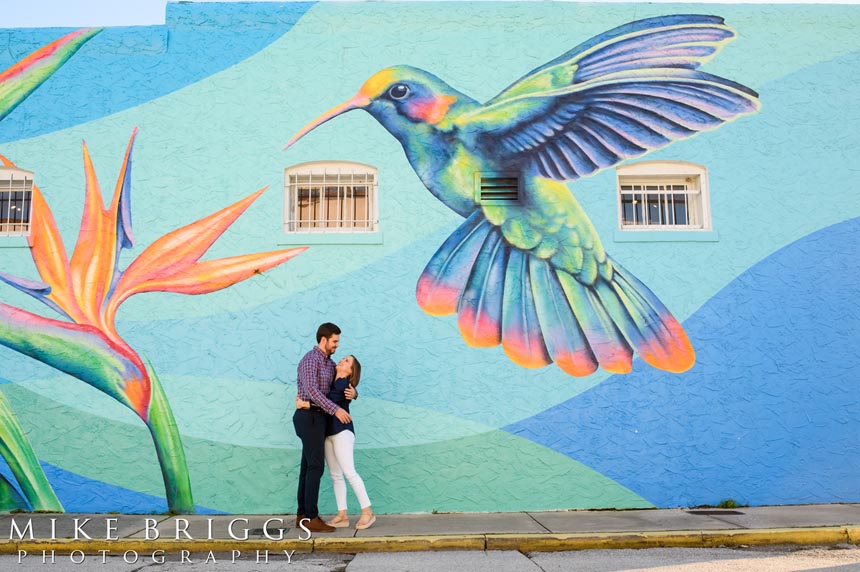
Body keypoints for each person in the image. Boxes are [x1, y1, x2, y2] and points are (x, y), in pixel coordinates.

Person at [297, 355, 374, 529]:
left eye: (347, 361)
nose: (341, 361)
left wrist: (306, 404)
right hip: (328, 433)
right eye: (343, 358)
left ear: (351, 372)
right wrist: (355, 394)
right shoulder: (335, 381)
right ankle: (342, 515)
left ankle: (368, 512)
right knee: (335, 475)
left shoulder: (342, 385)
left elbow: (327, 402)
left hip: (342, 432)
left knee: (349, 472)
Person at [293, 322, 356, 533]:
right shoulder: (311, 360)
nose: (336, 346)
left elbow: (337, 388)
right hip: (308, 417)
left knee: (307, 467)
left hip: (318, 418)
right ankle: (311, 516)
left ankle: (302, 515)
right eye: (334, 341)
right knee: (315, 467)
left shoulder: (329, 364)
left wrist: (353, 392)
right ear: (323, 340)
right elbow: (311, 390)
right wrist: (335, 410)